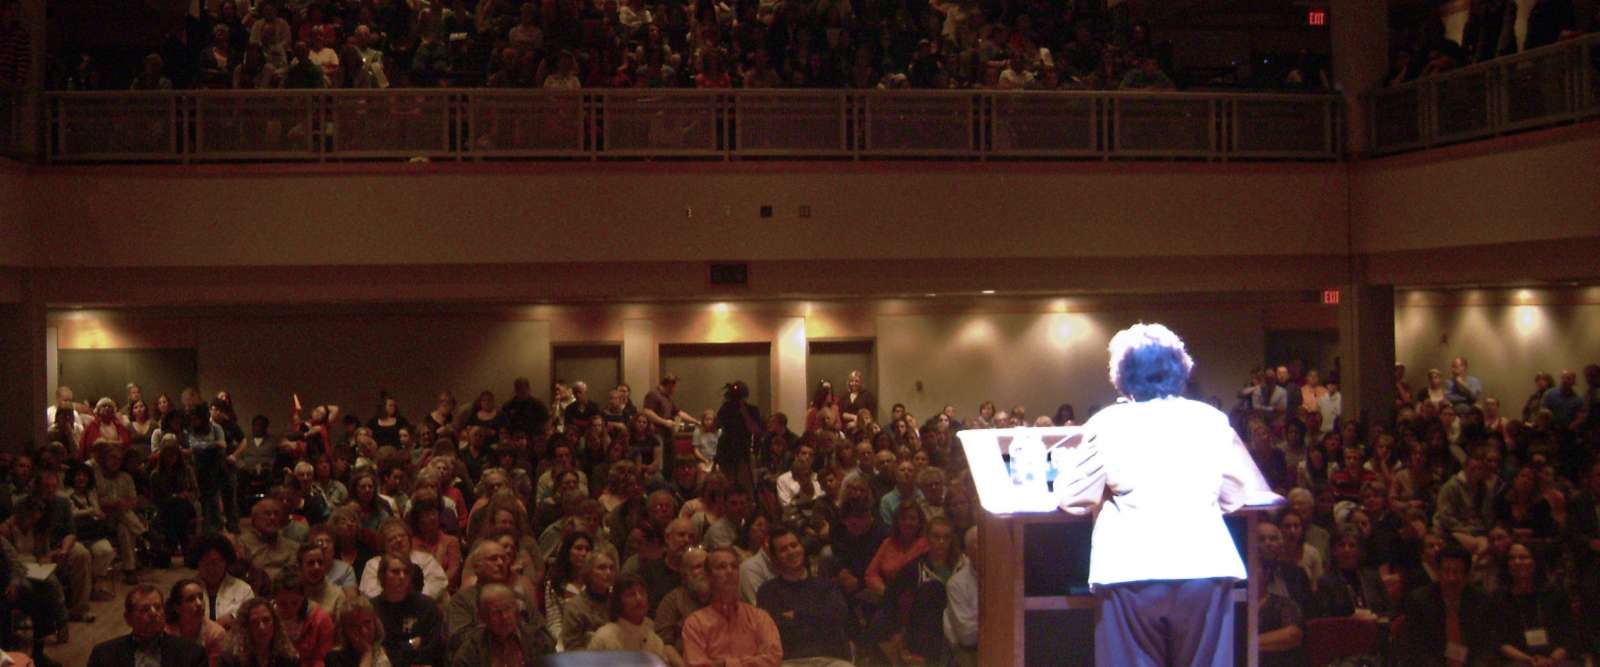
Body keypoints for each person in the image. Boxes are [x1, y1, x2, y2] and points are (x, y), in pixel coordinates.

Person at [1053, 323, 1282, 666]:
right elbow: (1235, 496)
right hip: (1205, 567)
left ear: (1123, 375)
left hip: (1130, 572)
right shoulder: (1211, 420)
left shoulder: (1108, 423)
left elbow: (1072, 498)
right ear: (1180, 370)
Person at [755, 527, 851, 667]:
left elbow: (838, 618)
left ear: (802, 548)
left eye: (794, 545)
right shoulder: (767, 591)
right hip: (789, 661)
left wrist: (797, 615)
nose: (791, 552)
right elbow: (771, 632)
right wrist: (816, 616)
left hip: (829, 659)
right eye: (783, 549)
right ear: (774, 558)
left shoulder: (826, 586)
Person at [681, 546, 783, 667]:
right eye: (721, 567)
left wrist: (724, 664)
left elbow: (774, 658)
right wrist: (755, 660)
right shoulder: (695, 624)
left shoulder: (760, 617)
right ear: (708, 576)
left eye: (734, 566)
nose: (729, 571)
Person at [1402, 544, 1494, 666]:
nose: (1451, 578)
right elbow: (1417, 649)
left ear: (1467, 575)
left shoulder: (1481, 600)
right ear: (1438, 572)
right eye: (1446, 571)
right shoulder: (1419, 601)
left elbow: (1487, 646)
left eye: (1457, 572)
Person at [88, 585, 208, 667]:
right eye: (145, 609)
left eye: (158, 607)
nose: (153, 613)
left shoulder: (192, 654)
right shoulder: (104, 655)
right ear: (128, 618)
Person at [446, 583, 554, 666]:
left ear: (516, 609)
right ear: (482, 617)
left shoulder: (538, 639)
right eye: (496, 612)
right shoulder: (471, 650)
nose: (504, 617)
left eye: (508, 608)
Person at [588, 574, 683, 666]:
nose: (639, 598)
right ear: (618, 602)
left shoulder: (655, 641)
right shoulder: (604, 637)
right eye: (630, 594)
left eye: (642, 593)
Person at [370, 554, 445, 667]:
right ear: (383, 575)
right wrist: (410, 644)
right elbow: (377, 650)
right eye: (395, 572)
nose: (402, 576)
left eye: (406, 572)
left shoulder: (427, 606)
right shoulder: (372, 609)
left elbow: (433, 648)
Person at [218, 597, 299, 667]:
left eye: (266, 620)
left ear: (275, 623)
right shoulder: (230, 659)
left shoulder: (288, 657)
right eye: (254, 622)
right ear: (245, 627)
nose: (262, 627)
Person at [166, 578, 228, 666]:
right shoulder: (166, 631)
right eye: (191, 599)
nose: (199, 603)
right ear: (177, 608)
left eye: (201, 597)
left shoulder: (215, 634)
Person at [715, 381, 762, 492]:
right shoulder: (725, 408)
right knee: (726, 484)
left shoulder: (752, 409)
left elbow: (755, 430)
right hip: (725, 450)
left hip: (743, 450)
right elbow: (715, 426)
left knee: (744, 484)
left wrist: (743, 410)